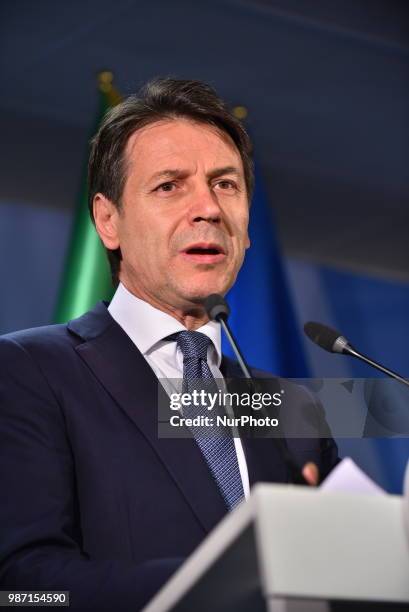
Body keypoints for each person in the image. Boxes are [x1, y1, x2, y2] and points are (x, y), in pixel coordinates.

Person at [0, 78, 339, 610]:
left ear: (248, 228)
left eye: (226, 185)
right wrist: (229, 584)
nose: (208, 208)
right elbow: (22, 586)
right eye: (169, 186)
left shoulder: (291, 409)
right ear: (108, 221)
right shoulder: (28, 371)